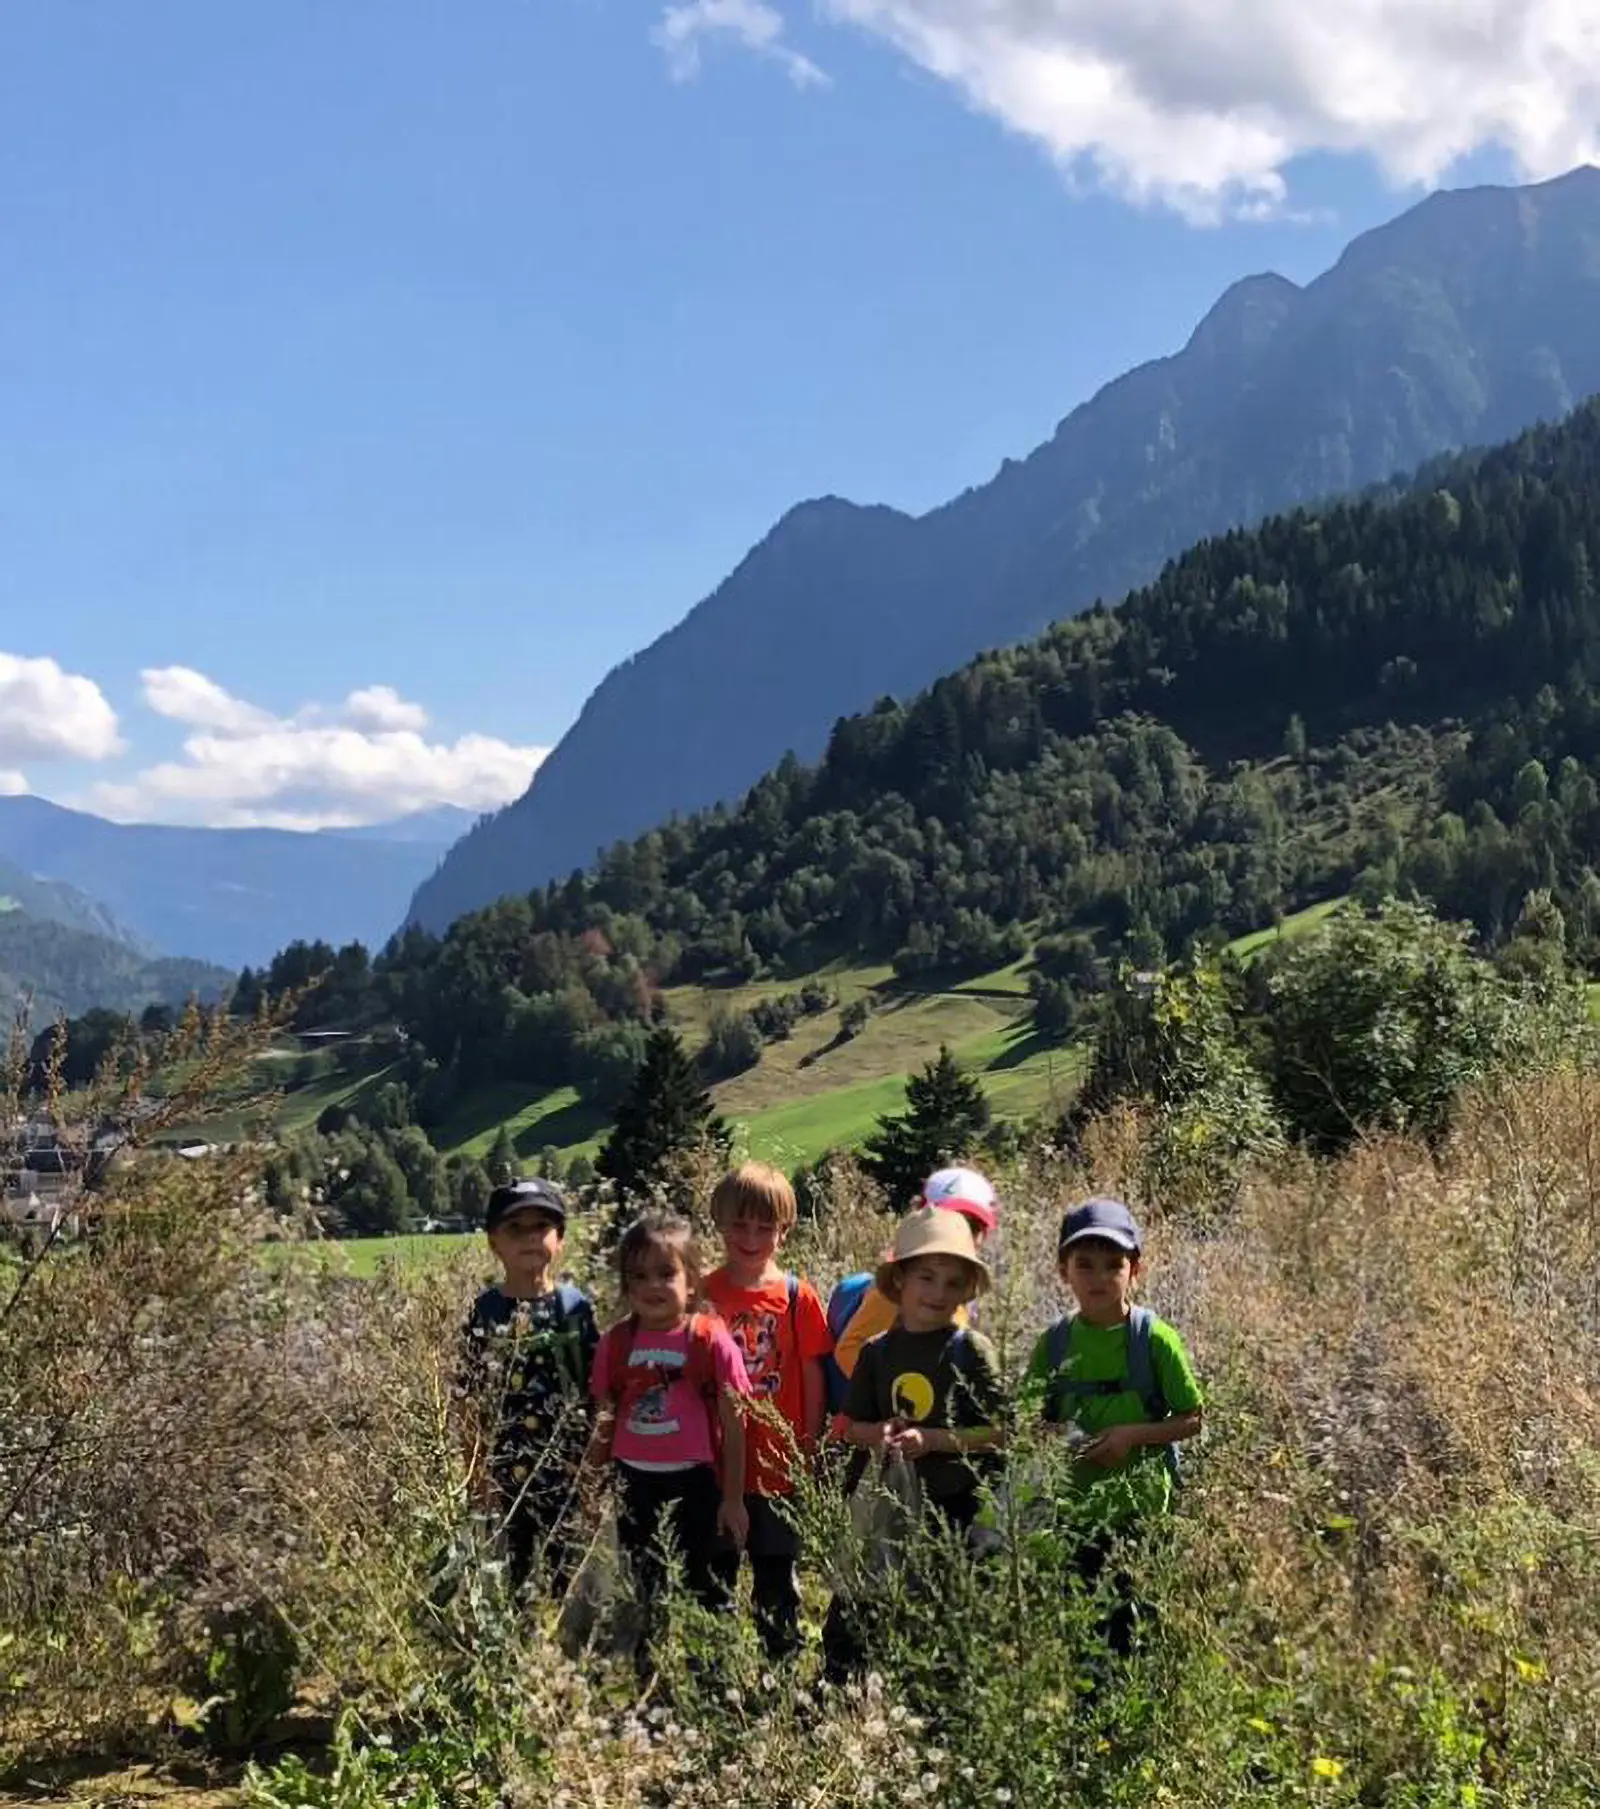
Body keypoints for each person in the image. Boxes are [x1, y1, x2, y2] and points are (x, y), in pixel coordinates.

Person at [824, 1206, 1004, 1680]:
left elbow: (1002, 1433)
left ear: (966, 1289)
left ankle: (933, 1702)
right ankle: (840, 1695)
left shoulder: (971, 1351)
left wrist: (935, 1440)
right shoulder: (877, 1351)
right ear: (900, 1279)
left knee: (945, 1619)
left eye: (953, 1282)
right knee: (857, 1610)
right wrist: (878, 1433)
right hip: (890, 1507)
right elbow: (848, 1427)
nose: (938, 1293)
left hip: (956, 1509)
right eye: (927, 1277)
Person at [1025, 1197, 1203, 1654]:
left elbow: (1192, 1418)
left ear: (1135, 1270)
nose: (1099, 1277)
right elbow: (1029, 1421)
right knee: (1085, 1634)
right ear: (1063, 1271)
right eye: (1084, 1264)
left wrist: (1131, 1436)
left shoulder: (1154, 1339)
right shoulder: (1054, 1343)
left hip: (1142, 1513)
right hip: (1074, 1514)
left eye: (1113, 1265)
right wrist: (1061, 1439)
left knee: (1138, 1631)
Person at [586, 1211, 752, 1658]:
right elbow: (604, 1419)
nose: (652, 1286)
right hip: (633, 1482)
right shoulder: (616, 1344)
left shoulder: (709, 1340)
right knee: (642, 1585)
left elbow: (735, 1426)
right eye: (638, 1276)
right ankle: (650, 1677)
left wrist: (733, 1499)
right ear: (625, 1284)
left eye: (666, 1273)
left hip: (698, 1484)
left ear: (691, 1281)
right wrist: (590, 1486)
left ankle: (712, 1678)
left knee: (709, 1587)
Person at [703, 1162, 833, 1659]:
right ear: (719, 1220)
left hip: (778, 1467)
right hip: (717, 1468)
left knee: (776, 1576)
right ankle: (714, 1673)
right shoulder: (703, 1294)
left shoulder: (799, 1298)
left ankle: (779, 1670)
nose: (751, 1238)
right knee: (714, 1578)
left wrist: (809, 1451)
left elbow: (813, 1377)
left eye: (764, 1227)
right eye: (739, 1225)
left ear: (785, 1229)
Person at [457, 1177, 598, 1596]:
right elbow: (467, 1397)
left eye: (541, 1227)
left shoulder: (576, 1308)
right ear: (494, 1242)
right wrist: (476, 1475)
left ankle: (561, 1632)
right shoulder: (485, 1311)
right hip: (505, 1474)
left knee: (568, 1576)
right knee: (509, 1577)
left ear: (561, 1239)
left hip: (567, 1471)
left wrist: (593, 1468)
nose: (530, 1237)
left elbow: (598, 1390)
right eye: (515, 1228)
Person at [830, 1167, 999, 1389]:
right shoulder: (897, 1293)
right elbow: (848, 1349)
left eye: (972, 1226)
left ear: (983, 1235)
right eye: (948, 1219)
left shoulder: (958, 1285)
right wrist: (886, 1393)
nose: (958, 1232)